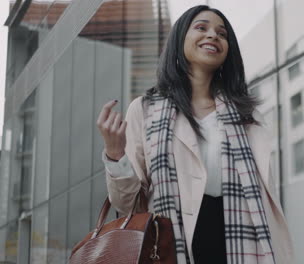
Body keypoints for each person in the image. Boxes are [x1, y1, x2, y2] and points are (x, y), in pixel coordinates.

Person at [96, 5, 293, 264]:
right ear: (180, 40)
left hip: (240, 245)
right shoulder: (145, 110)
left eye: (222, 34)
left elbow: (265, 201)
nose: (213, 35)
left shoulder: (248, 117)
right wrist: (115, 153)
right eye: (201, 27)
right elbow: (128, 204)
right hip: (170, 246)